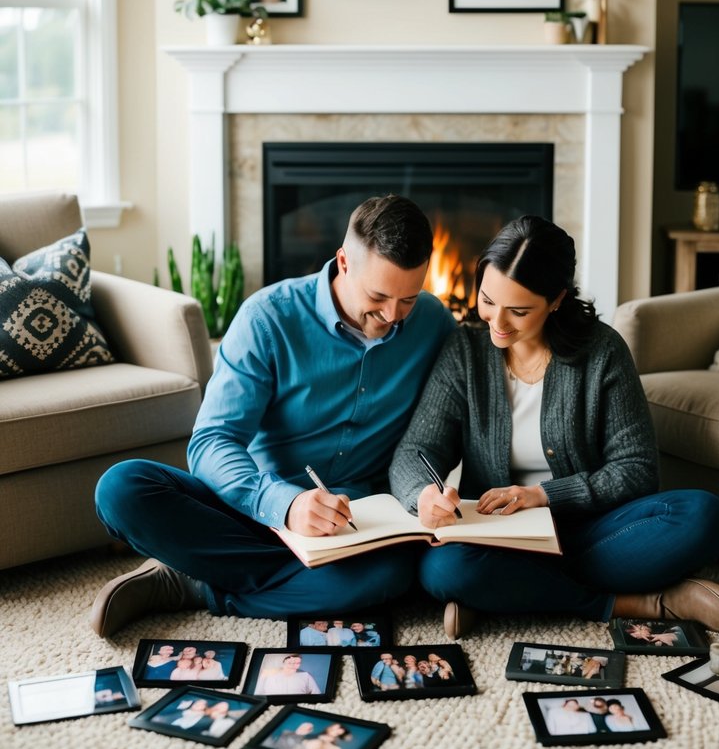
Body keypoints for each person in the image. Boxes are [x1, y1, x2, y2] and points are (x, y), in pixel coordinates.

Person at [90, 195, 455, 637]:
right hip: (250, 512)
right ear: (344, 262)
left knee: (392, 575)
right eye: (378, 296)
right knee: (122, 488)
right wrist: (285, 505)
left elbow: (449, 417)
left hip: (355, 528)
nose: (392, 317)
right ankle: (259, 578)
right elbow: (210, 443)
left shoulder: (434, 323)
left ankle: (196, 587)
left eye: (408, 299)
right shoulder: (267, 317)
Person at [389, 214, 719, 641]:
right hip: (499, 540)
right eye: (487, 300)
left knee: (704, 516)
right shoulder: (464, 351)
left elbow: (636, 470)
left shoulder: (602, 351)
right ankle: (632, 603)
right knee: (443, 567)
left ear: (556, 299)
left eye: (519, 310)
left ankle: (505, 596)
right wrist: (424, 495)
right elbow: (415, 452)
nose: (497, 323)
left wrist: (542, 496)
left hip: (591, 535)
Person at [256, 653, 321, 696]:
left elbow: (317, 694)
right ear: (283, 662)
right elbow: (257, 694)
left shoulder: (305, 676)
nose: (293, 665)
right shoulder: (268, 675)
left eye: (297, 663)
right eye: (290, 663)